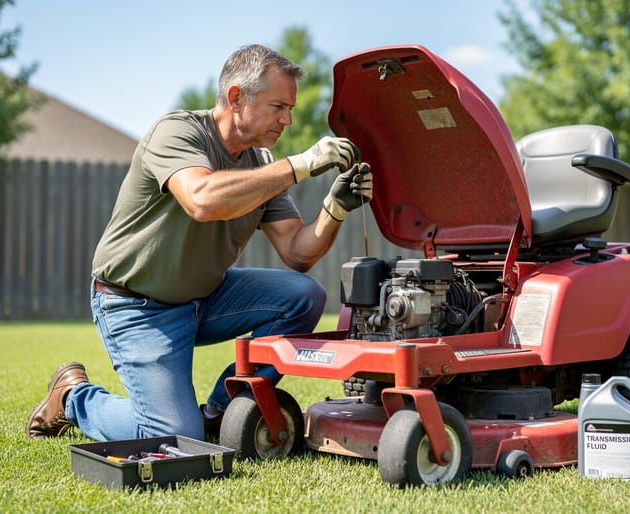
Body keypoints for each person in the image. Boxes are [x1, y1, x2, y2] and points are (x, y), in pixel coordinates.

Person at [25, 44, 372, 442]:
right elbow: (203, 199)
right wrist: (299, 165)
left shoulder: (260, 164)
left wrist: (335, 208)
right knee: (171, 435)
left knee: (303, 296)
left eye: (289, 109)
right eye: (279, 106)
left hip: (205, 298)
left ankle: (222, 410)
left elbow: (298, 252)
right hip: (136, 305)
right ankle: (72, 397)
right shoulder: (176, 132)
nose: (288, 120)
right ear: (236, 97)